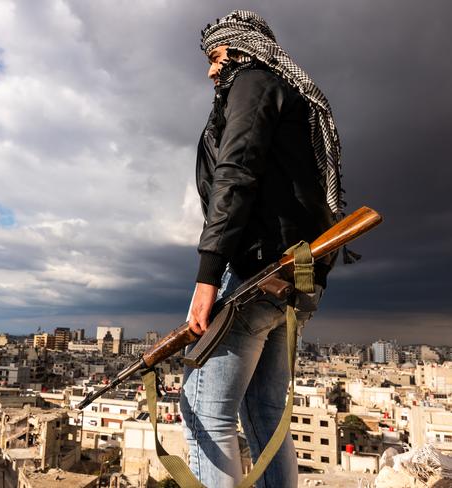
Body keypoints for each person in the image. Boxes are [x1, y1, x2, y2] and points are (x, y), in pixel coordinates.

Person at [180, 10, 344, 487]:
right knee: (266, 414)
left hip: (256, 272)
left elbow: (236, 172)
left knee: (204, 414)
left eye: (215, 57)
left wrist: (207, 275)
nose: (212, 70)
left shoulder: (252, 83)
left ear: (241, 48)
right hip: (296, 278)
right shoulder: (287, 93)